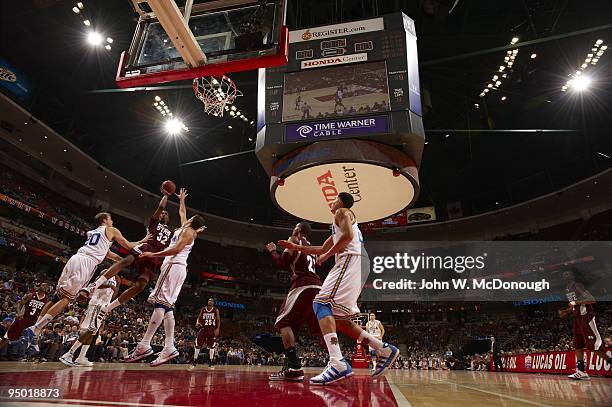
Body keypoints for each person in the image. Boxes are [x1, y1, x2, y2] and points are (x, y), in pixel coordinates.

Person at [279, 192, 399, 385]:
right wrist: (297, 248)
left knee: (320, 303)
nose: (332, 202)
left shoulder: (342, 212)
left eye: (334, 199)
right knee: (340, 320)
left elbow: (346, 239)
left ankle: (337, 362)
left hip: (350, 260)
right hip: (359, 263)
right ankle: (383, 348)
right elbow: (320, 249)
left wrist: (327, 257)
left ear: (341, 202)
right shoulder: (337, 227)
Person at [23, 213, 146, 349]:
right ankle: (35, 328)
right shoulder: (111, 230)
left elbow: (108, 254)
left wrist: (121, 261)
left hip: (75, 258)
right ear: (104, 220)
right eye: (110, 219)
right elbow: (128, 245)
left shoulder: (92, 233)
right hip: (86, 264)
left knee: (57, 296)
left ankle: (35, 332)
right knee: (66, 299)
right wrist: (144, 240)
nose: (112, 221)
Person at [125, 188, 206, 367]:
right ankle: (169, 347)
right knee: (167, 307)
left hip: (173, 266)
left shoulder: (188, 233)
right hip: (177, 269)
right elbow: (182, 212)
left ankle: (144, 345)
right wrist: (182, 200)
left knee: (160, 304)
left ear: (193, 221)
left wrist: (154, 255)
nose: (187, 217)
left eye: (191, 218)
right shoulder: (186, 228)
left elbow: (176, 250)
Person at [82, 192, 172, 320]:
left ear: (169, 219)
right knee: (126, 261)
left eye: (166, 214)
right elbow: (161, 208)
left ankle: (108, 308)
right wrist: (166, 196)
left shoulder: (172, 233)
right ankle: (94, 285)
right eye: (162, 213)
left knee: (141, 286)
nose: (163, 214)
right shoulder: (154, 223)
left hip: (154, 256)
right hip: (146, 247)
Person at [266, 221, 322, 381]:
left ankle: (295, 368)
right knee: (292, 327)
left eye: (295, 226)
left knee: (282, 322)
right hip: (317, 286)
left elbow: (282, 263)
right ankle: (290, 367)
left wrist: (272, 251)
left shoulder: (294, 240)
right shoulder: (310, 246)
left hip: (303, 285)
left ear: (298, 230)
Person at [559, 268, 612, 380]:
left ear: (572, 276)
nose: (565, 275)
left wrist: (575, 302)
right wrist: (565, 312)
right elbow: (574, 306)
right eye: (564, 274)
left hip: (586, 317)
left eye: (568, 273)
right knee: (578, 346)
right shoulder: (567, 289)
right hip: (576, 318)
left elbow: (591, 299)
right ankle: (582, 372)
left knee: (593, 346)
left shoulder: (577, 286)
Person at [59, 274, 118, 367]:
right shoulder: (105, 272)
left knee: (93, 332)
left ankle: (81, 357)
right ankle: (69, 354)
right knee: (90, 330)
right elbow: (95, 285)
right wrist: (109, 286)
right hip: (96, 304)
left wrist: (113, 292)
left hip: (104, 306)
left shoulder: (116, 278)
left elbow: (114, 292)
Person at [193, 298, 220, 368]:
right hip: (203, 328)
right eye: (209, 300)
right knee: (198, 343)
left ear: (213, 303)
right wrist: (197, 323)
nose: (210, 301)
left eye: (211, 301)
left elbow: (218, 320)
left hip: (211, 329)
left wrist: (217, 329)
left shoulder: (215, 310)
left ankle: (211, 361)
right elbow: (199, 317)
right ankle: (195, 360)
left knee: (212, 345)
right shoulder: (203, 309)